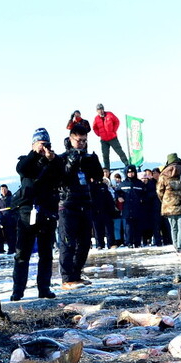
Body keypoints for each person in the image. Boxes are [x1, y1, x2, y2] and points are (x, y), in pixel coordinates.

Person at [11, 127, 60, 300]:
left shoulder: (54, 161)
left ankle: (44, 289)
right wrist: (34, 153)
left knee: (46, 254)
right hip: (27, 212)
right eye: (41, 143)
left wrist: (51, 160)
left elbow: (61, 174)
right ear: (33, 144)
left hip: (47, 212)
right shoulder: (26, 160)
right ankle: (17, 291)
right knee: (22, 254)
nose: (44, 147)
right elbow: (22, 169)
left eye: (46, 144)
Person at [56, 120, 103, 287]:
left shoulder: (87, 157)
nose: (82, 144)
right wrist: (73, 159)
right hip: (68, 204)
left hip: (85, 202)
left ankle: (76, 273)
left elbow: (97, 177)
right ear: (70, 139)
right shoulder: (61, 158)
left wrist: (94, 162)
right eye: (79, 140)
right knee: (68, 242)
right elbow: (62, 178)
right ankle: (67, 277)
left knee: (85, 243)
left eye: (84, 141)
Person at [157, 153, 181, 253]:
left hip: (169, 204)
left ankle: (176, 246)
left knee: (173, 227)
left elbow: (159, 190)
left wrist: (164, 200)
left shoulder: (163, 174)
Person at [92, 104, 130, 171]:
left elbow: (117, 121)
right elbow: (94, 128)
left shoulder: (110, 114)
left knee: (120, 152)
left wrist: (113, 130)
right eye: (99, 110)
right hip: (104, 140)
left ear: (103, 109)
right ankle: (107, 170)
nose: (100, 111)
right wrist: (99, 134)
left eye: (101, 109)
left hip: (113, 138)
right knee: (105, 155)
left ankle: (127, 165)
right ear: (97, 111)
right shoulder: (96, 118)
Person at [0, 184, 17, 255]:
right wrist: (0, 217)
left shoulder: (12, 198)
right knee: (7, 236)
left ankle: (14, 248)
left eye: (5, 189)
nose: (4, 191)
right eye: (2, 189)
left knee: (13, 235)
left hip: (12, 220)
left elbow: (15, 208)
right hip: (4, 221)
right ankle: (10, 248)